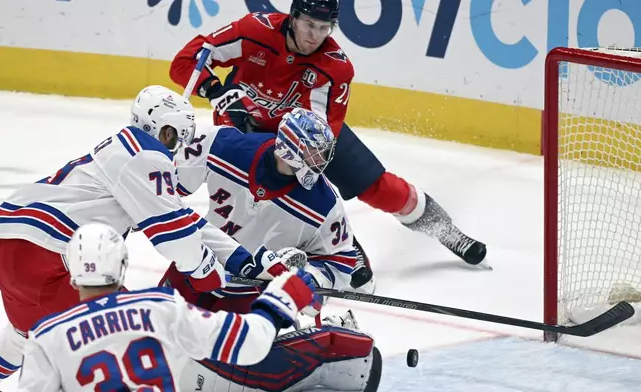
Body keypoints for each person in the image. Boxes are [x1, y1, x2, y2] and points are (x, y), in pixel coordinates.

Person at [169, 0, 488, 283]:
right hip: (245, 128)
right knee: (256, 200)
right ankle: (309, 250)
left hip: (307, 134)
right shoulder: (255, 30)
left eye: (324, 27)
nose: (314, 35)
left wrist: (302, 160)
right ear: (292, 18)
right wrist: (217, 90)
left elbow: (321, 135)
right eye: (309, 24)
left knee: (379, 187)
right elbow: (184, 62)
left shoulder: (335, 67)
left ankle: (445, 231)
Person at [0, 85, 299, 384]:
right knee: (136, 331)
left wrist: (242, 260)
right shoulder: (145, 155)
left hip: (13, 243)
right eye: (176, 135)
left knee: (27, 334)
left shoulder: (125, 152)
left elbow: (182, 217)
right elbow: (177, 241)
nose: (177, 145)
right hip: (46, 252)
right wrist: (204, 269)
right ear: (162, 129)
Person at [19, 223, 381, 392]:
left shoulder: (45, 338)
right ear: (123, 266)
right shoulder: (159, 307)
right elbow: (249, 343)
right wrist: (284, 296)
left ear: (72, 276)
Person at [161, 107, 375, 315]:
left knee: (223, 349)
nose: (319, 162)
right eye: (314, 154)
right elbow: (171, 184)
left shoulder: (324, 204)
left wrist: (314, 278)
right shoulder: (225, 147)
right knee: (153, 328)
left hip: (252, 289)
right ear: (290, 146)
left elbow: (342, 258)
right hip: (195, 264)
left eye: (322, 156)